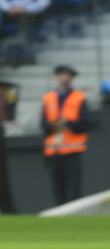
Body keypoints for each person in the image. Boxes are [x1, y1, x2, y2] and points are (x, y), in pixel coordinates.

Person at [42, 64, 90, 206]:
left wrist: (67, 123)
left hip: (73, 150)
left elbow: (84, 124)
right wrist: (54, 125)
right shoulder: (48, 98)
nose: (66, 78)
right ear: (57, 76)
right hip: (54, 150)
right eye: (63, 74)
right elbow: (43, 124)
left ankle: (76, 218)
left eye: (69, 75)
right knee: (58, 188)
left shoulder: (79, 97)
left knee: (74, 189)